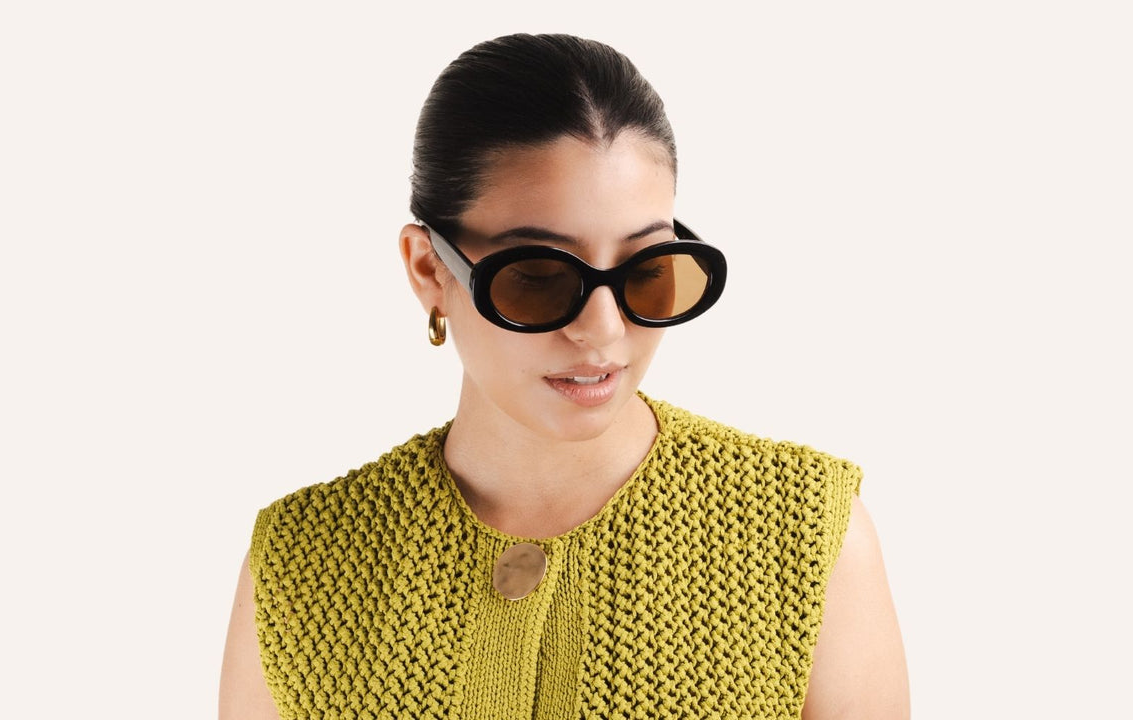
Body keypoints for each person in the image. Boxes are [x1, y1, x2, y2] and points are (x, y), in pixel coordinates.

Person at [219, 33, 909, 720]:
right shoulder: (298, 563)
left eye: (646, 270)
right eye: (539, 276)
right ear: (429, 270)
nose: (603, 331)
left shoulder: (804, 532)